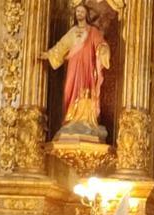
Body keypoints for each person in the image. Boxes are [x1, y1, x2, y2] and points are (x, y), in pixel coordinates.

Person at [43, 2, 110, 140]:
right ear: (75, 14)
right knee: (70, 90)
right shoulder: (72, 32)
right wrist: (49, 55)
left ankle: (86, 119)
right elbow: (61, 47)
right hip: (74, 67)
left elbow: (101, 44)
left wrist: (103, 50)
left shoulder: (93, 31)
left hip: (87, 67)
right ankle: (71, 118)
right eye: (77, 11)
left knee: (86, 90)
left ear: (86, 14)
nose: (79, 14)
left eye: (82, 11)